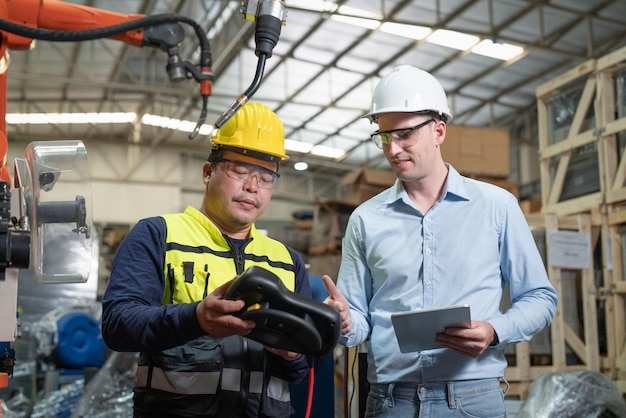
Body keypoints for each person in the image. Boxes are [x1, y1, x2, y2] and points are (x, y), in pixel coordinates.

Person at [322, 65, 558, 417]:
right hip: (390, 401)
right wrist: (342, 321)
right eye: (385, 136)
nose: (393, 148)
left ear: (439, 131)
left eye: (404, 134)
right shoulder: (365, 220)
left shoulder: (496, 207)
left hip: (473, 399)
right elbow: (359, 321)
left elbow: (541, 298)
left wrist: (495, 330)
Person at [101, 102, 315, 418]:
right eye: (240, 170)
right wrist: (195, 318)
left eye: (266, 177)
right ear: (207, 172)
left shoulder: (287, 261)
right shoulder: (159, 235)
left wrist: (293, 353)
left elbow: (299, 370)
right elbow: (118, 324)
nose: (252, 186)